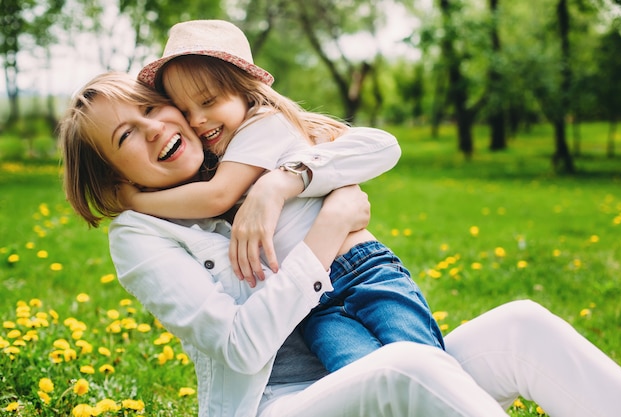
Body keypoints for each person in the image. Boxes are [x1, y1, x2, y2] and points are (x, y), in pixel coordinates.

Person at [59, 70, 621, 417]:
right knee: (410, 367)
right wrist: (331, 229)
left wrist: (288, 180)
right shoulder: (139, 235)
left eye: (151, 107)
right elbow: (239, 347)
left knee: (520, 327)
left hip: (362, 370)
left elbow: (372, 146)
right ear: (112, 178)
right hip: (282, 403)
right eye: (127, 134)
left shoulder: (241, 158)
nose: (155, 126)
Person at [119, 19, 444, 373]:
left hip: (359, 270)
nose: (196, 120)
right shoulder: (221, 156)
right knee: (360, 377)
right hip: (311, 302)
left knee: (425, 367)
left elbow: (217, 196)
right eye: (184, 110)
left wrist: (135, 202)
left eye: (208, 101)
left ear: (245, 90)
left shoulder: (261, 125)